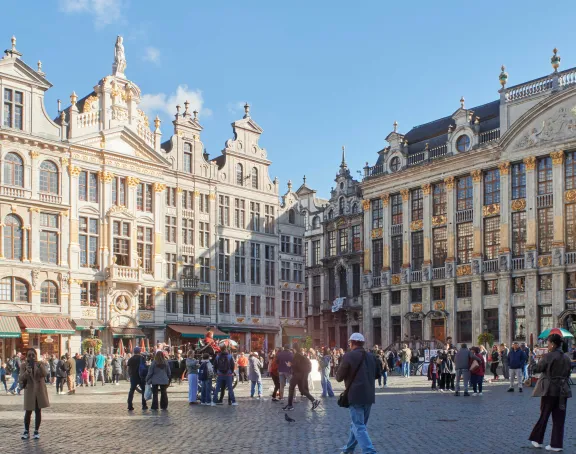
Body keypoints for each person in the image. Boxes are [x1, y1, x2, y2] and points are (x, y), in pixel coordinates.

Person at [528, 334, 572, 452]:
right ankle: (556, 445)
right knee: (559, 418)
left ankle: (537, 440)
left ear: (552, 344)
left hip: (549, 390)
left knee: (544, 415)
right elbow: (568, 374)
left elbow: (536, 369)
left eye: (548, 343)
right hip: (562, 390)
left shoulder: (548, 356)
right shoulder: (566, 357)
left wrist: (531, 360)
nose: (547, 345)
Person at [336, 333, 377, 454]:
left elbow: (338, 377)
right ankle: (349, 449)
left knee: (358, 426)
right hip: (369, 395)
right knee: (358, 425)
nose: (349, 345)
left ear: (352, 343)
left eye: (349, 343)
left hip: (355, 395)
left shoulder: (349, 356)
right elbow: (378, 374)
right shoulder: (371, 356)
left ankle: (369, 451)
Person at [19, 348, 50, 440]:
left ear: (36, 355)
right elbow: (21, 378)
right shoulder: (24, 365)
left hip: (39, 390)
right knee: (28, 412)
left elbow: (45, 374)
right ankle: (26, 431)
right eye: (29, 355)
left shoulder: (40, 364)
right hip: (30, 391)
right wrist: (27, 372)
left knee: (38, 411)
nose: (32, 357)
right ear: (27, 357)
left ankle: (36, 431)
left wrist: (40, 366)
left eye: (33, 355)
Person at [282, 343, 320, 412]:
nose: (292, 350)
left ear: (294, 348)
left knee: (291, 388)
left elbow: (297, 365)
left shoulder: (297, 355)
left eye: (292, 349)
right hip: (302, 375)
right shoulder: (300, 354)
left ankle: (290, 405)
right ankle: (314, 401)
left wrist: (290, 365)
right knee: (302, 390)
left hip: (297, 374)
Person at [126, 347, 147, 411]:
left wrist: (130, 375)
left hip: (133, 377)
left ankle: (130, 405)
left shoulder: (131, 359)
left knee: (131, 391)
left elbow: (128, 368)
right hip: (141, 377)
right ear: (139, 351)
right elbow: (145, 367)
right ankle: (144, 405)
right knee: (143, 390)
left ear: (134, 352)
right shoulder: (142, 358)